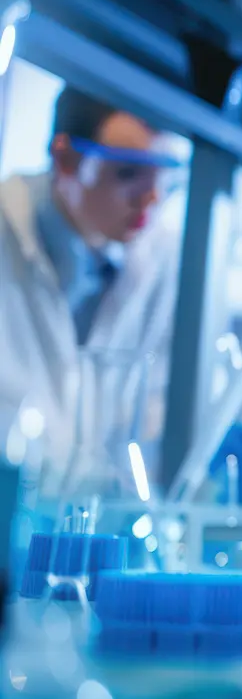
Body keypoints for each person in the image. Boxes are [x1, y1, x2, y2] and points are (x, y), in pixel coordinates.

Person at [0, 88, 186, 495]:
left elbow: (157, 412)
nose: (152, 198)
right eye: (128, 173)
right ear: (65, 160)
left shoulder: (164, 260)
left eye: (166, 174)